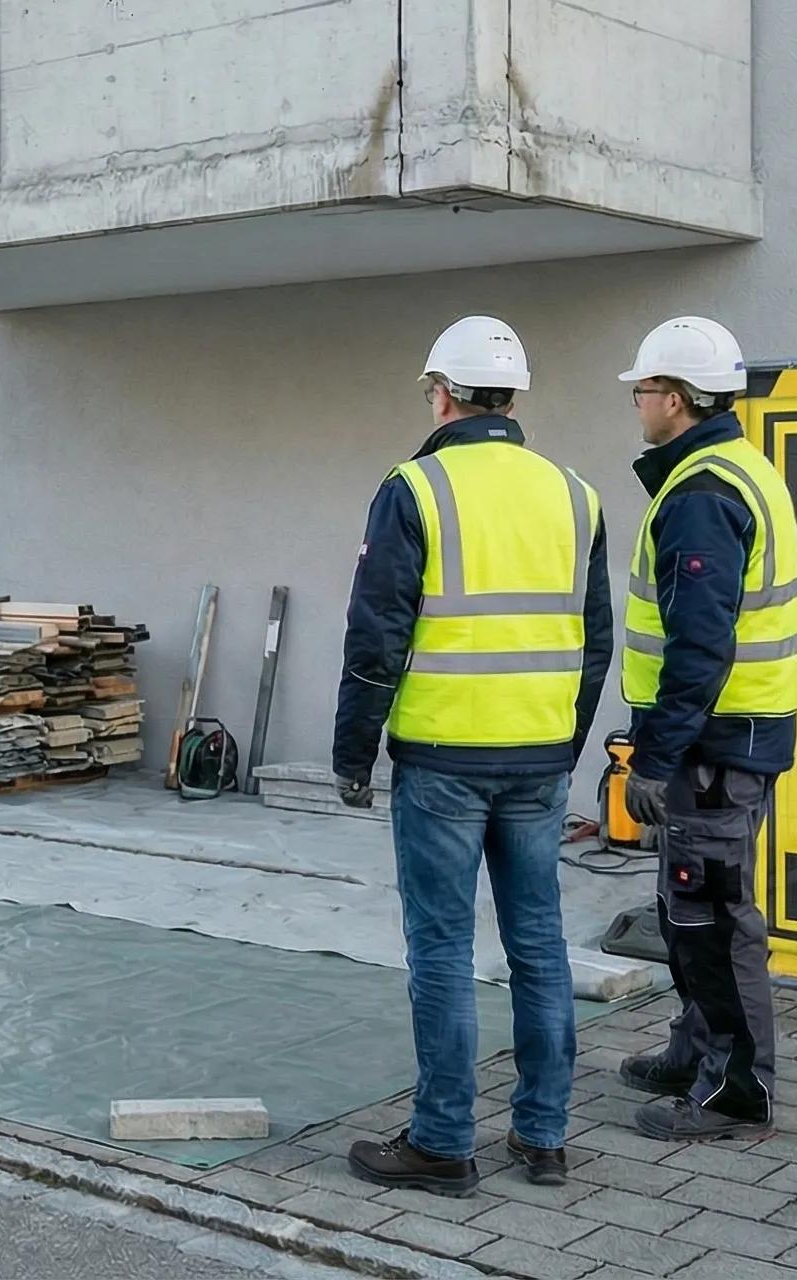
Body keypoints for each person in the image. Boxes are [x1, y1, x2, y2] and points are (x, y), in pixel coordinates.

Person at [334, 316, 613, 1195]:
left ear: (442, 394)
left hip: (444, 757)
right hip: (536, 756)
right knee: (539, 946)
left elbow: (376, 636)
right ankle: (544, 1138)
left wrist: (353, 752)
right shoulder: (577, 494)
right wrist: (563, 745)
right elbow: (594, 640)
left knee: (445, 951)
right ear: (515, 397)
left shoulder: (414, 489)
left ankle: (444, 1143)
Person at [612, 316, 797, 1141]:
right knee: (687, 909)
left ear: (679, 399)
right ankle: (695, 1052)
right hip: (727, 741)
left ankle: (737, 1091)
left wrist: (653, 755)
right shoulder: (733, 469)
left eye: (645, 389)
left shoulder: (701, 495)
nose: (638, 401)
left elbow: (699, 644)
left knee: (715, 918)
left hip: (711, 747)